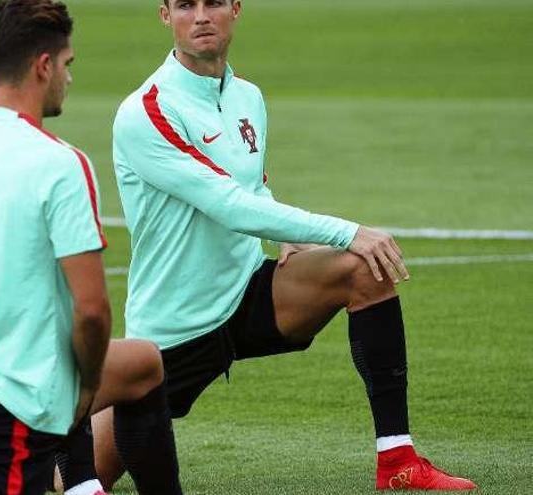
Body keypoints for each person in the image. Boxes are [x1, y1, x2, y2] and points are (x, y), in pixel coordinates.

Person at [89, 0, 477, 491]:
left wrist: (289, 237)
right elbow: (226, 204)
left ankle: (396, 460)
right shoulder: (147, 110)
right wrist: (346, 230)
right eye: (186, 5)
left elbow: (252, 192)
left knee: (364, 270)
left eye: (213, 3)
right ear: (165, 15)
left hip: (247, 293)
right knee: (69, 475)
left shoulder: (248, 97)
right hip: (174, 326)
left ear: (236, 8)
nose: (201, 15)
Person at [0, 1, 184, 494]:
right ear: (44, 66)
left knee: (145, 363)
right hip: (18, 400)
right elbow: (91, 311)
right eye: (67, 65)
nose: (69, 78)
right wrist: (87, 386)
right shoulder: (61, 165)